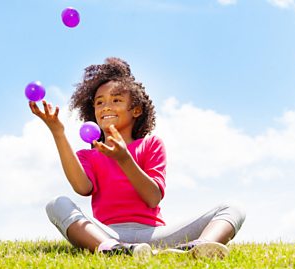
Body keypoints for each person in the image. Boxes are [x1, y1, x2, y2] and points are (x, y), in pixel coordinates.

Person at [29, 57, 245, 259]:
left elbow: (152, 197)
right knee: (56, 204)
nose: (106, 107)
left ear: (136, 110)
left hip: (154, 235)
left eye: (116, 100)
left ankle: (198, 247)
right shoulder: (88, 155)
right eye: (99, 102)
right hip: (106, 233)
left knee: (233, 207)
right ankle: (114, 250)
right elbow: (82, 188)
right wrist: (58, 132)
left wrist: (125, 159)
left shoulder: (151, 145)